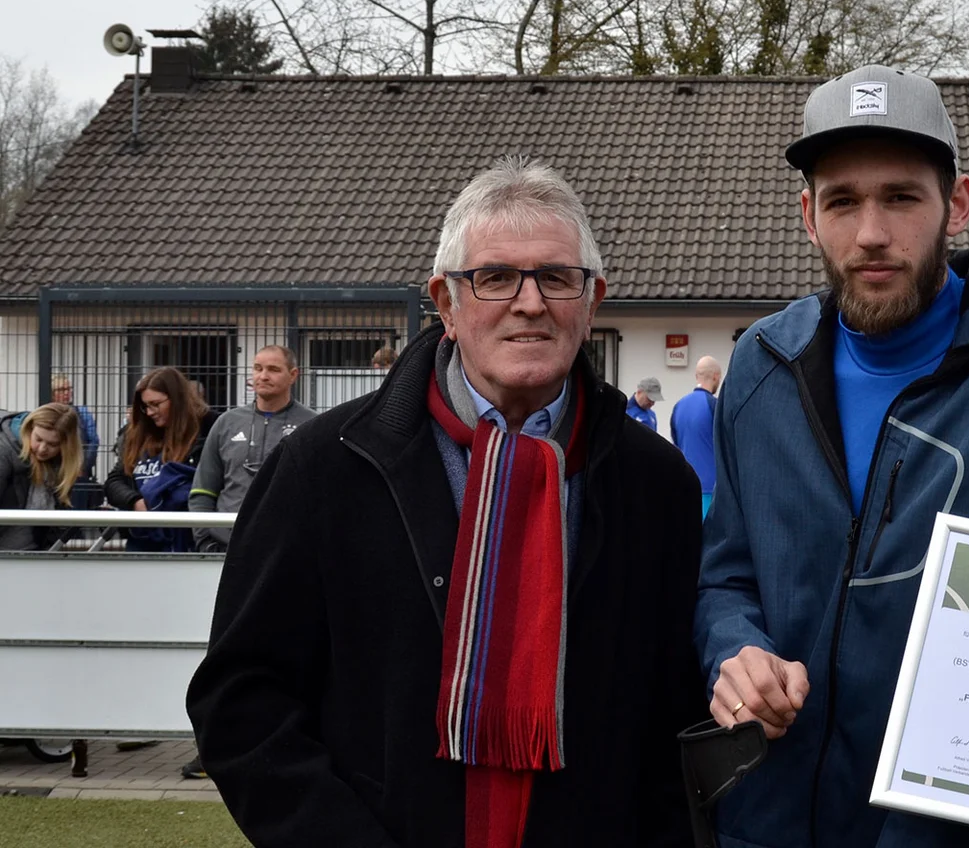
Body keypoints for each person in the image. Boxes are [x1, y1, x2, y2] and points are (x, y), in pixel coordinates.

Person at [186, 157, 708, 848]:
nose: (529, 302)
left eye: (556, 277)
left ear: (592, 301)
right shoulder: (323, 469)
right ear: (446, 303)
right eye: (494, 277)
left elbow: (675, 715)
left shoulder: (655, 484)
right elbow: (242, 702)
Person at [695, 64, 969, 848]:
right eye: (843, 201)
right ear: (807, 216)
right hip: (768, 821)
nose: (871, 233)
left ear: (957, 204)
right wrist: (737, 650)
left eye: (901, 196)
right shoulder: (760, 365)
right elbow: (726, 573)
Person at [188, 345, 320, 551]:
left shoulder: (313, 425)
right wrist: (205, 540)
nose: (263, 376)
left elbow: (324, 494)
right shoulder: (226, 423)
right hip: (226, 547)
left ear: (293, 375)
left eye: (273, 370)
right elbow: (203, 490)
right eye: (258, 368)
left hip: (287, 551)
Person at [105, 367, 214, 552]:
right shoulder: (138, 434)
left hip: (187, 540)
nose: (149, 412)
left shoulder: (208, 429)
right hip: (142, 540)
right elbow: (114, 481)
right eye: (145, 406)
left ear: (176, 399)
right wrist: (134, 501)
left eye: (156, 404)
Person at [0, 403, 84, 550]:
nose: (43, 448)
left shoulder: (61, 465)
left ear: (65, 446)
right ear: (29, 429)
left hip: (33, 549)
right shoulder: (3, 452)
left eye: (53, 444)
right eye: (38, 439)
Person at [670, 357, 721, 514]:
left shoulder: (678, 406)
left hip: (684, 485)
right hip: (710, 489)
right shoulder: (715, 405)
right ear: (716, 376)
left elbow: (676, 443)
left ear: (696, 376)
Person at [49, 374, 100, 478]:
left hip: (79, 471)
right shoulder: (47, 414)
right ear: (52, 394)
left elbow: (93, 441)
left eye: (69, 389)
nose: (67, 393)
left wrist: (83, 466)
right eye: (62, 389)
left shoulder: (82, 413)